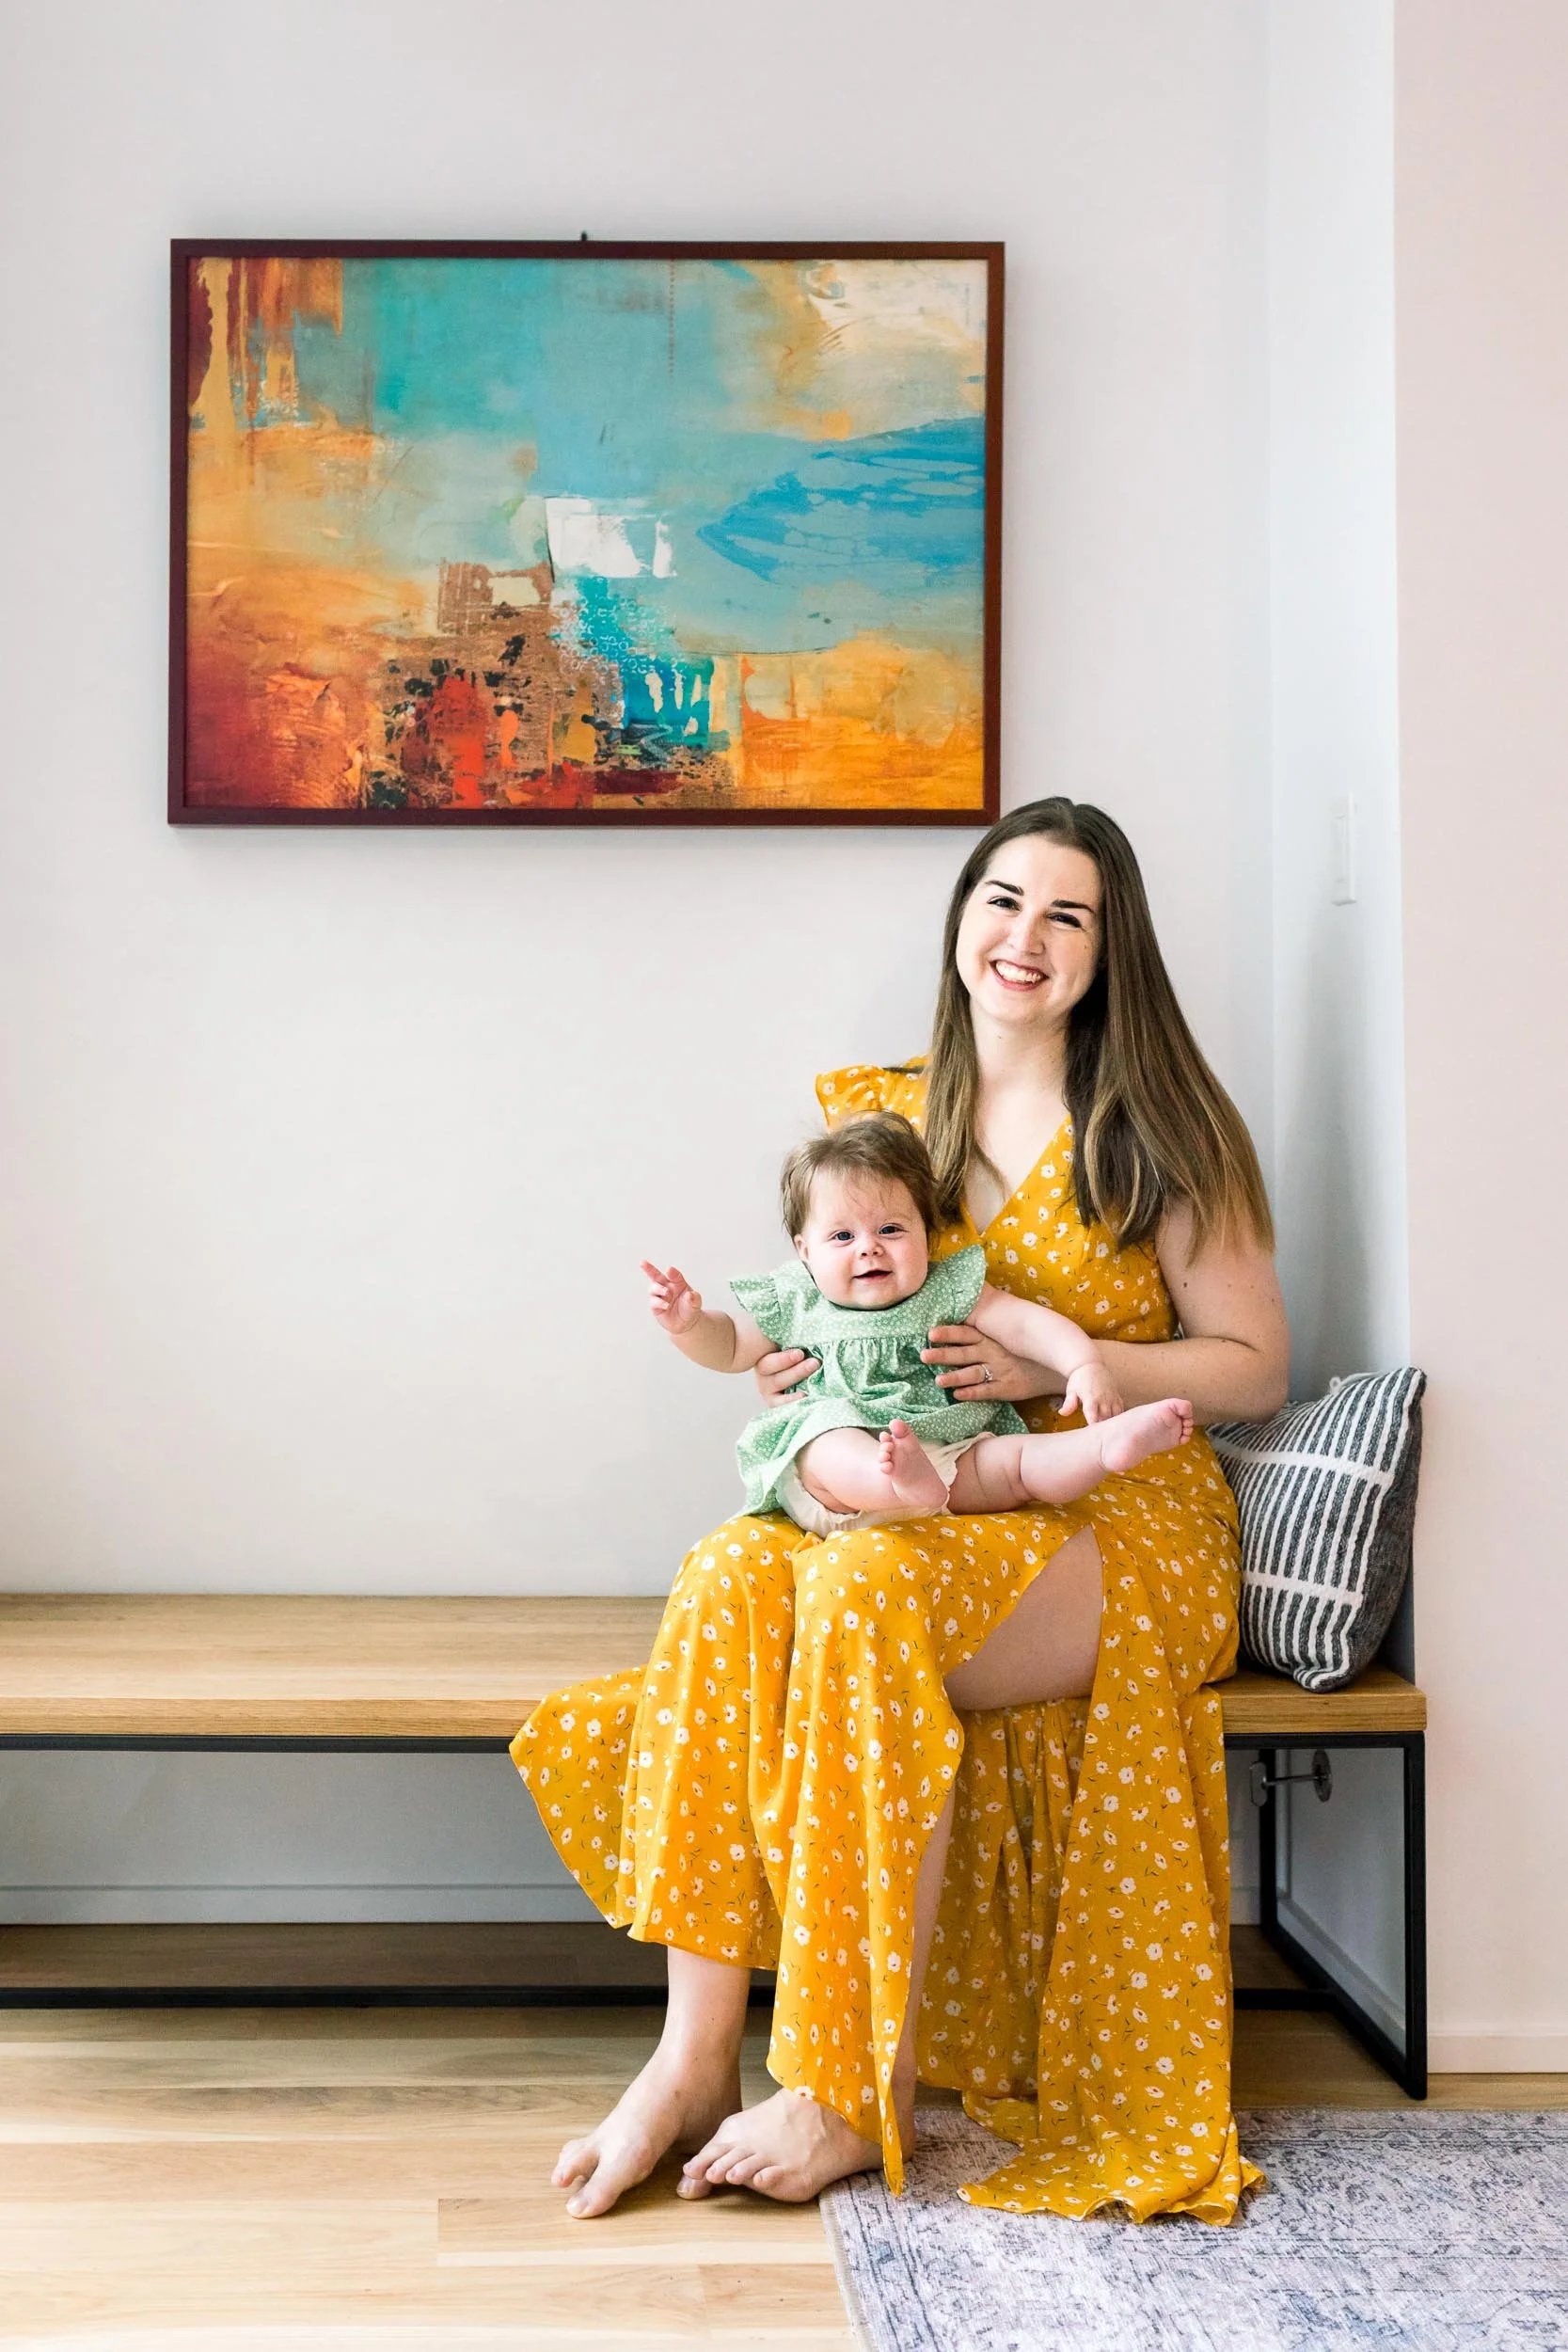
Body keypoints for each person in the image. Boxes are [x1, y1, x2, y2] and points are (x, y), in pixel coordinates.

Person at [513, 796, 1288, 2225]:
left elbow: (1253, 1366)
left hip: (1120, 1509)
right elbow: (809, 1318)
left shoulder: (1161, 1129)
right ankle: (690, 2059)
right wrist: (800, 1391)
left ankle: (842, 2087)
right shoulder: (884, 1115)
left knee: (861, 1594)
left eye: (1066, 914)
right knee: (734, 1574)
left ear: (1108, 950)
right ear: (958, 921)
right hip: (927, 1495)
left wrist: (1073, 1361)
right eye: (1001, 901)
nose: (1024, 937)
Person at [641, 1111, 1194, 1536]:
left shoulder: (944, 1290)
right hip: (844, 1485)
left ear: (926, 1235)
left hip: (945, 1463)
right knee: (825, 1433)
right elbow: (732, 1346)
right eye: (843, 1237)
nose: (869, 1249)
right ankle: (893, 1481)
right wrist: (689, 1325)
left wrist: (1084, 1365)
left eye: (890, 1229)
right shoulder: (797, 1299)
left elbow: (1027, 1325)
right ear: (803, 1250)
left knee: (1017, 1463)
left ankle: (1103, 1449)